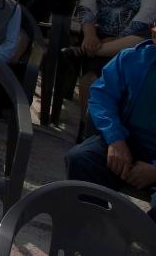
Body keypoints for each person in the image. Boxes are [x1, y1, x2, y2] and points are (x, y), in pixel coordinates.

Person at [65, 22, 156, 220]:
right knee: (82, 158)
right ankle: (91, 228)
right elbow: (101, 96)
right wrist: (116, 140)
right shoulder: (132, 58)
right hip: (127, 139)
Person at [68, 0, 156, 115]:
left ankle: (83, 52)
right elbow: (87, 6)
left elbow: (146, 16)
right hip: (100, 35)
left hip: (133, 39)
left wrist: (114, 42)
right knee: (90, 82)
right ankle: (87, 130)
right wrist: (90, 34)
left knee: (141, 41)